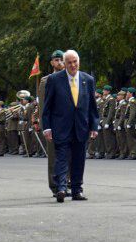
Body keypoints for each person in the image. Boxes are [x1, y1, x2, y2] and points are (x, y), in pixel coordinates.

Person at [41, 49, 98, 202]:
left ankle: (77, 190)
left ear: (79, 62)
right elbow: (47, 106)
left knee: (79, 159)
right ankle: (60, 188)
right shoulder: (54, 79)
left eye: (75, 62)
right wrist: (46, 127)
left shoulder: (88, 80)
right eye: (69, 63)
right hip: (61, 126)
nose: (73, 65)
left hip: (81, 126)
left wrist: (94, 126)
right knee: (61, 158)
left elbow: (92, 106)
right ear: (64, 64)